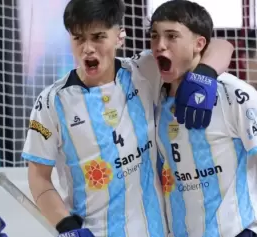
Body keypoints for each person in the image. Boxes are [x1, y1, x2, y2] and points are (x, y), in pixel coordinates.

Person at [21, 0, 233, 236]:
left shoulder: (144, 71)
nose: (88, 48)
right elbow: (39, 178)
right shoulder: (51, 102)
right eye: (78, 38)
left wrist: (205, 74)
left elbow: (220, 45)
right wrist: (66, 226)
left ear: (119, 37)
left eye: (98, 37)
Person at [151, 1, 257, 237]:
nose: (160, 45)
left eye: (171, 36)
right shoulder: (153, 96)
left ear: (199, 44)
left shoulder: (234, 93)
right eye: (154, 36)